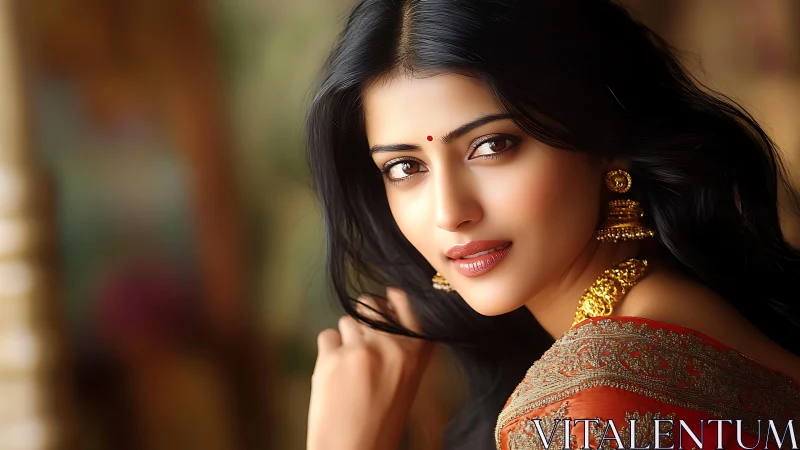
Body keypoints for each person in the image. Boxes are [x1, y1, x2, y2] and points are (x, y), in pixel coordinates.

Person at [303, 1, 800, 449]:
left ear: (602, 138)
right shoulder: (679, 309)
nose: (449, 213)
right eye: (406, 167)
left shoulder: (592, 401)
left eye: (492, 145)